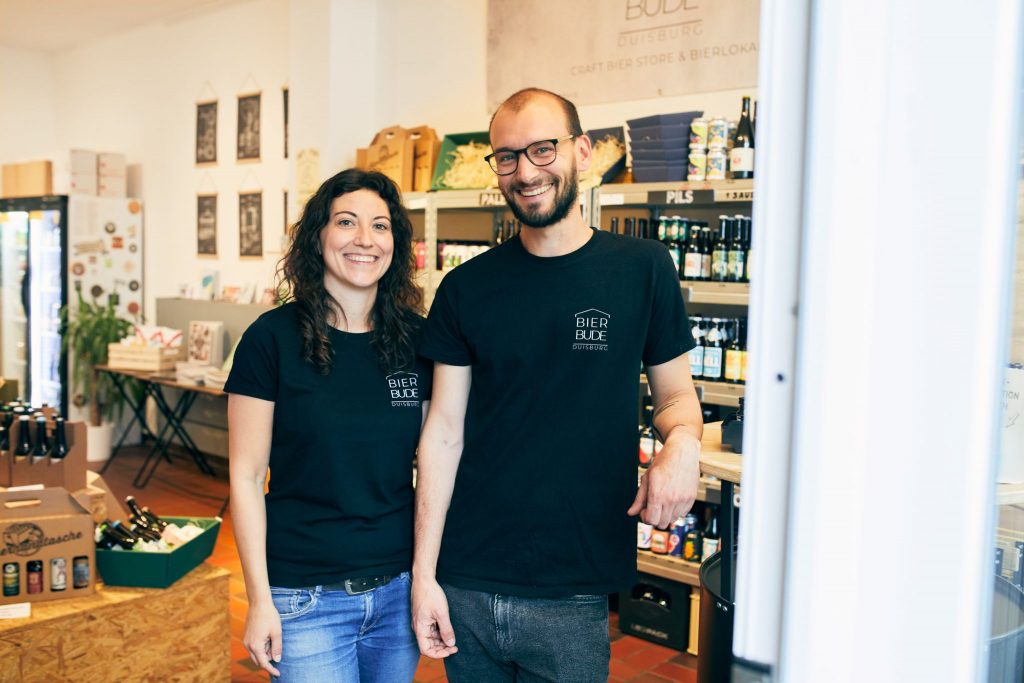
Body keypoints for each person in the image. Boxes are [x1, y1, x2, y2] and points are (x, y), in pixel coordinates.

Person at [411, 88, 704, 682]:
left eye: (543, 149)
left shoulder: (642, 269)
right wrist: (424, 574)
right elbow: (441, 434)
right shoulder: (465, 289)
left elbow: (676, 398)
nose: (526, 171)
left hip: (574, 583)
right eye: (508, 156)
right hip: (467, 576)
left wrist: (683, 446)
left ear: (582, 152)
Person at [226, 168, 431, 682]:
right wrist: (258, 600)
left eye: (380, 226)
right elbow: (246, 478)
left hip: (396, 591)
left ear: (396, 244)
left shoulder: (419, 342)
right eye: (346, 222)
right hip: (305, 597)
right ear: (318, 237)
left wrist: (425, 578)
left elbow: (438, 462)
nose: (365, 239)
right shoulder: (270, 340)